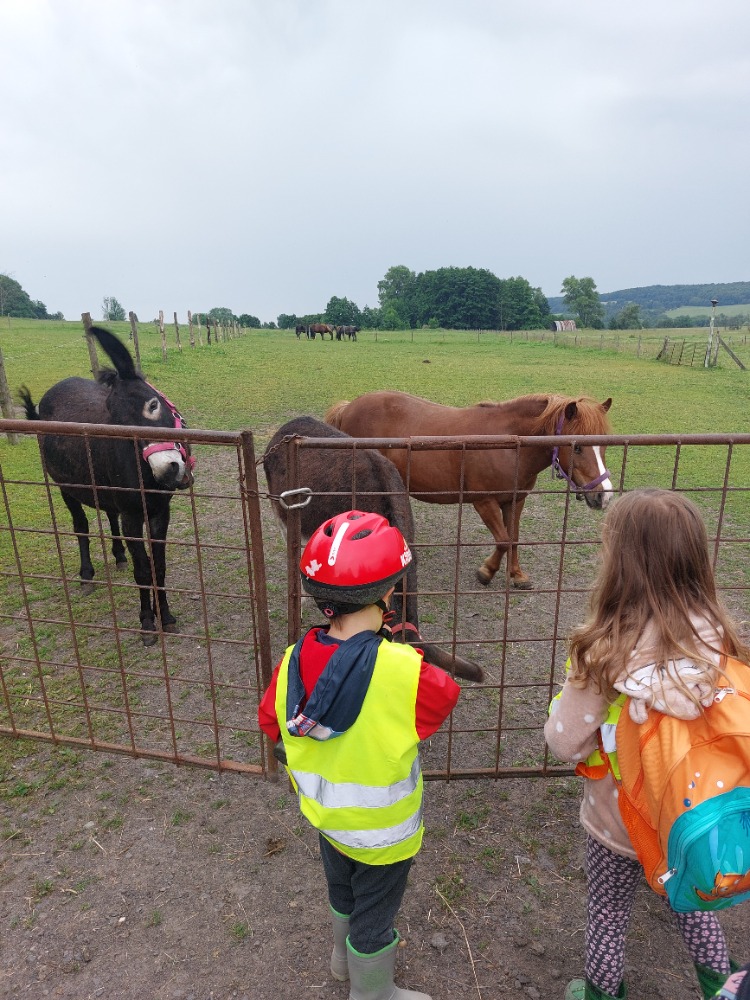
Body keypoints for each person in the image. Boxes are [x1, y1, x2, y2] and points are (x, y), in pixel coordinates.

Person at [544, 489, 748, 1000]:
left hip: (619, 820)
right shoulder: (718, 637)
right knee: (690, 899)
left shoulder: (604, 652)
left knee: (607, 912)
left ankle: (600, 993)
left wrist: (561, 708)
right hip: (689, 815)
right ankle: (722, 985)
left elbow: (566, 743)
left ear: (619, 564)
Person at [258, 510, 460, 1000]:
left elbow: (270, 722)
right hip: (383, 833)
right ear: (389, 592)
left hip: (327, 818)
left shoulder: (291, 660)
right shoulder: (402, 669)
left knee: (342, 889)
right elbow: (444, 697)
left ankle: (340, 959)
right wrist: (400, 654)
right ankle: (373, 993)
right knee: (376, 912)